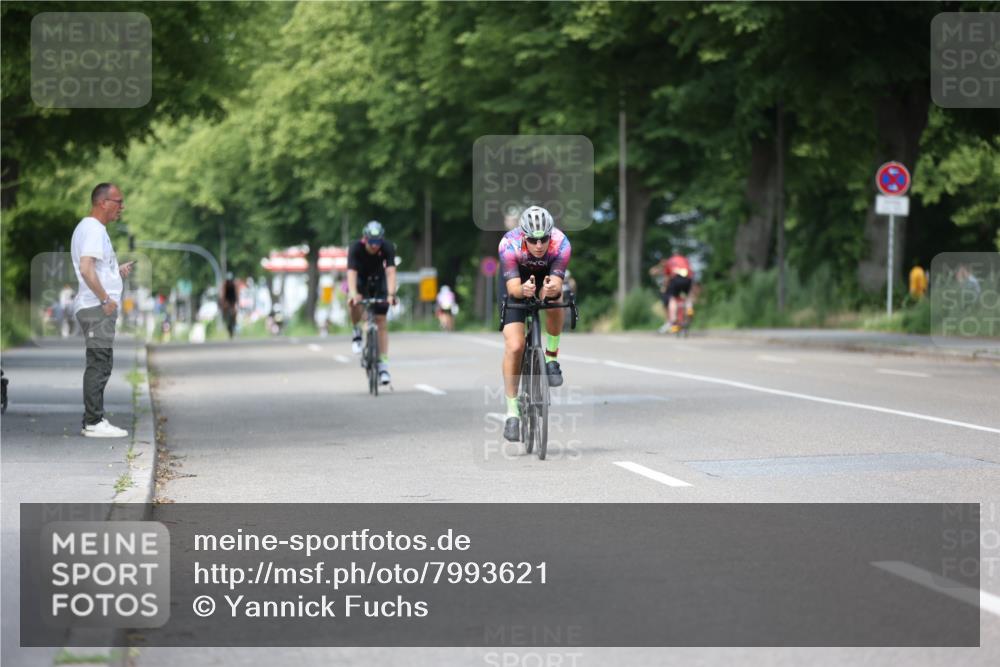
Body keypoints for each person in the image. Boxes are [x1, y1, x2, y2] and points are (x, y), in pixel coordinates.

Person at [498, 205, 571, 442]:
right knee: (516, 346)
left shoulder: (561, 243)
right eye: (532, 240)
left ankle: (551, 358)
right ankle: (512, 412)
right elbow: (513, 289)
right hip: (517, 282)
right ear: (523, 235)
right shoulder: (508, 244)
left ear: (551, 234)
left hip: (546, 279)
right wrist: (523, 290)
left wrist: (550, 288)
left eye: (543, 240)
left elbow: (558, 283)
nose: (539, 245)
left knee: (557, 298)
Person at [71, 183, 135, 438]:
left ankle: (94, 419)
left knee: (102, 362)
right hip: (96, 307)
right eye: (118, 201)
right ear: (102, 203)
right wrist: (105, 298)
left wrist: (115, 273)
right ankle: (93, 421)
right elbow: (86, 269)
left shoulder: (89, 229)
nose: (122, 207)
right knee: (99, 363)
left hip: (94, 305)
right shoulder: (94, 230)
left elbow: (93, 268)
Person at [347, 221, 398, 385]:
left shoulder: (388, 247)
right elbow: (351, 273)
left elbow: (390, 271)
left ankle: (383, 365)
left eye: (378, 242)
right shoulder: (355, 248)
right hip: (360, 280)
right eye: (372, 242)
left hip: (378, 281)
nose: (375, 246)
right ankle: (356, 332)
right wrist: (354, 294)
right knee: (355, 303)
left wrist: (391, 294)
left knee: (381, 320)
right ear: (365, 239)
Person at [650, 252, 695, 334]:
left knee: (672, 298)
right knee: (688, 297)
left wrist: (665, 287)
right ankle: (689, 308)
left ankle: (673, 319)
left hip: (676, 279)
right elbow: (691, 272)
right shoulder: (685, 260)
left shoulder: (670, 261)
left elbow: (667, 277)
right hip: (688, 279)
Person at [220, 273, 238, 338]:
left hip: (233, 299)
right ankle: (224, 318)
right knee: (225, 308)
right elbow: (223, 294)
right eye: (229, 281)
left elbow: (236, 294)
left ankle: (234, 322)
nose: (230, 282)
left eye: (231, 281)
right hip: (227, 299)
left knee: (235, 311)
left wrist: (237, 303)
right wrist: (223, 303)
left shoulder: (234, 285)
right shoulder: (225, 285)